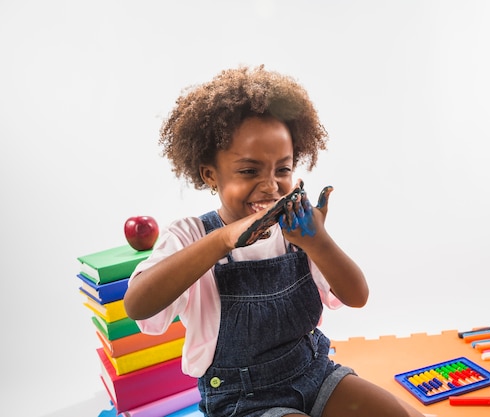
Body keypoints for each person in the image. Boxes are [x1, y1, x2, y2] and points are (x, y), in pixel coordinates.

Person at [124, 65, 425, 417]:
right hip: (241, 400)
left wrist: (319, 242)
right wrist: (222, 241)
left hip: (314, 374)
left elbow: (357, 297)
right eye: (249, 171)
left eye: (282, 169)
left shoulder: (297, 230)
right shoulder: (192, 236)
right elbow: (138, 306)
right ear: (210, 174)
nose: (270, 185)